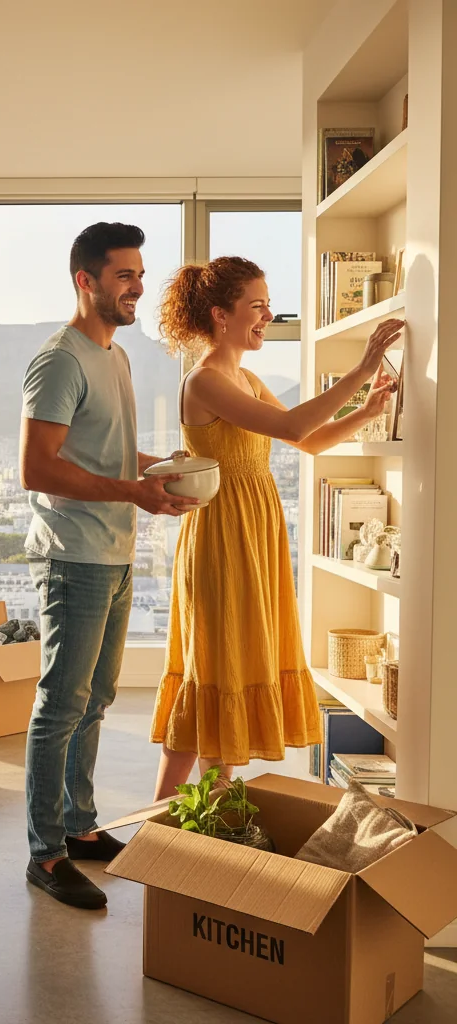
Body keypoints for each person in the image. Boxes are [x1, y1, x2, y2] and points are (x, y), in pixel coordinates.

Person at [150, 256, 401, 800]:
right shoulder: (207, 380)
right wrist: (360, 372)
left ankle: (165, 822)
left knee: (218, 669)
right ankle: (206, 821)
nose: (268, 315)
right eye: (257, 305)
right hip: (222, 540)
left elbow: (306, 440)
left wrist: (368, 407)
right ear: (221, 314)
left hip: (251, 536)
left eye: (268, 303)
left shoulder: (243, 376)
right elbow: (292, 425)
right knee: (217, 670)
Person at [20, 222, 196, 910]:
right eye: (124, 275)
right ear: (85, 281)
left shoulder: (115, 358)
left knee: (94, 702)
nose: (138, 287)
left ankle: (80, 827)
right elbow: (38, 467)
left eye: (140, 274)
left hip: (114, 551)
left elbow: (107, 456)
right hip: (74, 557)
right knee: (61, 704)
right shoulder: (61, 359)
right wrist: (134, 491)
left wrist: (165, 472)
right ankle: (45, 853)